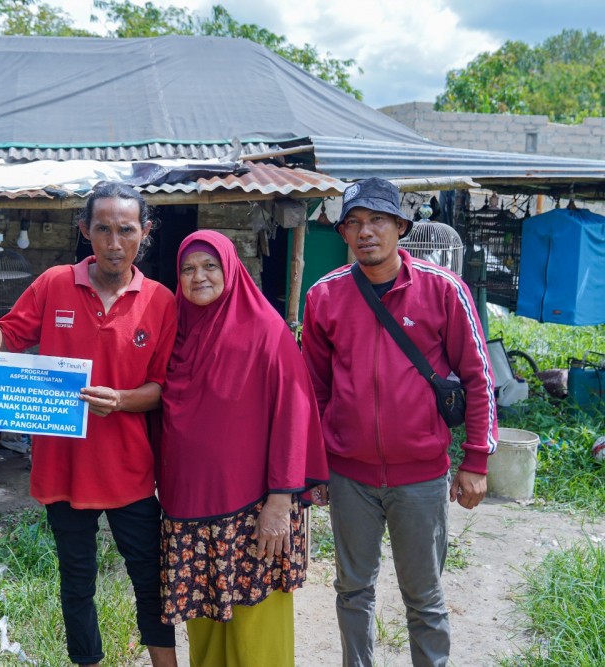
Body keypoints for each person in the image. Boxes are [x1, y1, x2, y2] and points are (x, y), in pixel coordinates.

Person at [0, 182, 178, 667]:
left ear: (145, 232)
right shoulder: (55, 283)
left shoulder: (161, 301)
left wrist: (120, 400)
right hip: (62, 469)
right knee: (76, 581)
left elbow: (162, 388)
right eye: (103, 229)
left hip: (130, 471)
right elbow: (4, 345)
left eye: (126, 230)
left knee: (150, 577)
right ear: (85, 231)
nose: (114, 242)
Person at [301, 177, 499, 667]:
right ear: (343, 232)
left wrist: (476, 460)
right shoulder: (324, 297)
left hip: (422, 478)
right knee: (353, 591)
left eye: (378, 220)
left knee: (425, 598)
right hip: (350, 477)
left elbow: (478, 378)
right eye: (355, 222)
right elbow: (314, 390)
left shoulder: (442, 290)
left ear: (401, 227)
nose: (366, 232)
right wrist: (315, 465)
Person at [158, 230, 328, 667]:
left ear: (231, 268)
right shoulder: (173, 331)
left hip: (253, 509)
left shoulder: (265, 330)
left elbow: (294, 416)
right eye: (188, 269)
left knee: (257, 629)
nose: (199, 277)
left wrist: (280, 501)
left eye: (210, 266)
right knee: (204, 621)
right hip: (188, 507)